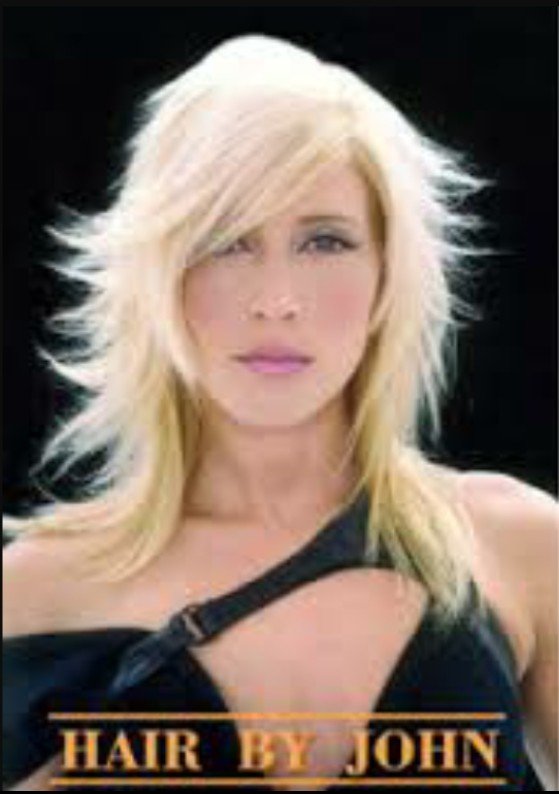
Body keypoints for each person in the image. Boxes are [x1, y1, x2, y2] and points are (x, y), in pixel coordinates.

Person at [3, 34, 557, 792]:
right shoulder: (30, 594)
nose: (276, 300)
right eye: (226, 242)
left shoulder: (517, 549)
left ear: (388, 275)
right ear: (156, 276)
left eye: (325, 241)